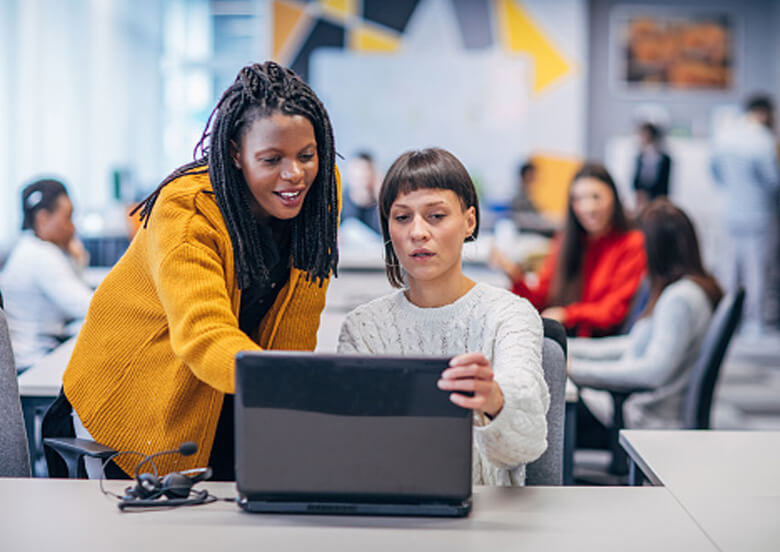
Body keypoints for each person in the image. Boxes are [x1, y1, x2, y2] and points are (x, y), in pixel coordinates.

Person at [43, 61, 340, 480]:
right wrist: (287, 382)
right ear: (236, 153)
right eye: (271, 159)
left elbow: (296, 323)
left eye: (306, 155)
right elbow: (204, 334)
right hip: (133, 408)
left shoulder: (318, 193)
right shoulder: (187, 211)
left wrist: (283, 416)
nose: (294, 174)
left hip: (226, 396)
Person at [338, 148, 549, 486]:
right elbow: (352, 449)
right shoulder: (363, 328)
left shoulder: (509, 314)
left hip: (487, 518)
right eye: (402, 217)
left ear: (469, 221)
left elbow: (528, 442)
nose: (418, 232)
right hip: (389, 512)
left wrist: (494, 398)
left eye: (436, 216)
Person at [568, 199, 723, 440]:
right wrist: (569, 350)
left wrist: (575, 370)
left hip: (641, 419)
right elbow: (631, 346)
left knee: (542, 411)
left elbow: (653, 372)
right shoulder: (680, 290)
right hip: (629, 408)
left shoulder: (679, 300)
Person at [491, 162, 647, 337]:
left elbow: (613, 312)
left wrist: (567, 314)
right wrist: (515, 275)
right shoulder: (566, 240)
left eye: (596, 197)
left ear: (614, 198)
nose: (588, 207)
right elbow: (541, 298)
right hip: (563, 337)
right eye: (579, 199)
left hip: (598, 344)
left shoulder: (632, 243)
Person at [0, 179, 93, 372]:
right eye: (68, 217)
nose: (73, 227)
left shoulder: (29, 247)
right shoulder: (40, 256)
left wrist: (76, 258)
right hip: (33, 363)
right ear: (43, 219)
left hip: (36, 355)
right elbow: (87, 307)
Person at [711, 94, 780, 336]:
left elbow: (715, 173)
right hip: (759, 215)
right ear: (763, 113)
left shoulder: (725, 135)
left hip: (730, 213)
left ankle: (729, 321)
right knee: (757, 271)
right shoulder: (763, 139)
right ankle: (755, 323)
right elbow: (773, 181)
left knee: (730, 270)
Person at [632, 122, 671, 212]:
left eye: (643, 134)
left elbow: (665, 182)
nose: (641, 137)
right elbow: (636, 178)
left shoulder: (664, 158)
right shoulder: (640, 156)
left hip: (658, 197)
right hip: (642, 196)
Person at [510, 161, 557, 236]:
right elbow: (529, 221)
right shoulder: (519, 199)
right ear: (526, 175)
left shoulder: (528, 196)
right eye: (533, 174)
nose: (536, 178)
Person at [340, 151, 381, 234]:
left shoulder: (380, 203)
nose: (361, 179)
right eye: (357, 174)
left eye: (365, 174)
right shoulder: (340, 203)